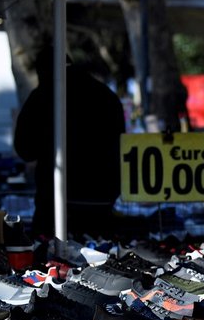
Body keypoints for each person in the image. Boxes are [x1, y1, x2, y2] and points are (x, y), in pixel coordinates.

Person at [14, 45, 126, 238]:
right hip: (102, 199)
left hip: (57, 202)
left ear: (43, 71)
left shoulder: (42, 96)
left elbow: (25, 149)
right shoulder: (106, 96)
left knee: (50, 259)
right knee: (102, 259)